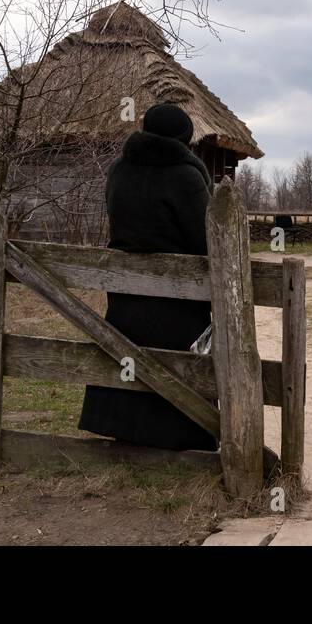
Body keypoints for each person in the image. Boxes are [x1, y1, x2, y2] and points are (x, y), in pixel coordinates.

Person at [78, 102, 221, 451]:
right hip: (177, 295)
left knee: (127, 352)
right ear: (184, 138)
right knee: (175, 361)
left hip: (125, 291)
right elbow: (205, 241)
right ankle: (183, 433)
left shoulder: (118, 171)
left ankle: (124, 430)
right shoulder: (186, 177)